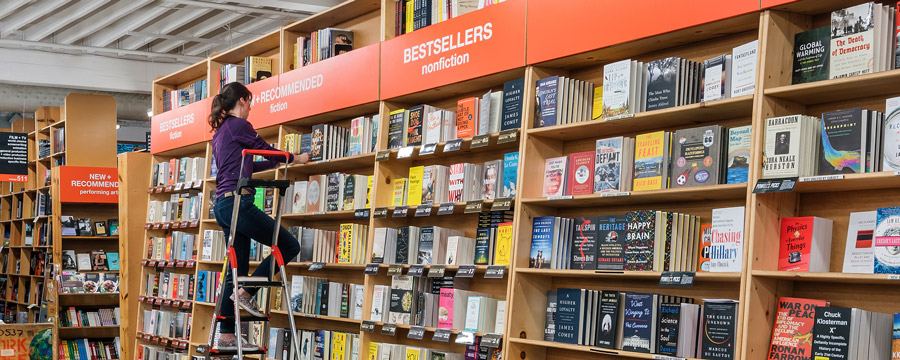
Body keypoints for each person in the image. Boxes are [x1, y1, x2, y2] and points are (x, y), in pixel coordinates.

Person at [209, 82, 310, 350]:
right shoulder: (238, 125)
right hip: (238, 204)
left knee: (236, 272)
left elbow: (254, 161)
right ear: (242, 100)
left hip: (222, 205)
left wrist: (280, 160)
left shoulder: (220, 133)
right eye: (250, 102)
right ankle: (247, 293)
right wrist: (294, 158)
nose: (251, 107)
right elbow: (262, 147)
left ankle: (226, 336)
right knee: (289, 245)